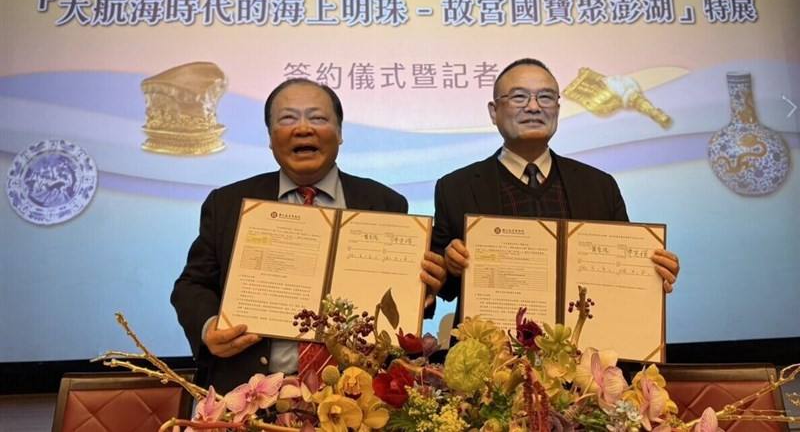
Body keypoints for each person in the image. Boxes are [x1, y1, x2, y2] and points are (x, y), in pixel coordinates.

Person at [171, 78, 446, 393]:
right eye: (287, 119)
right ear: (270, 138)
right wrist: (209, 328)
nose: (303, 129)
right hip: (251, 395)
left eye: (318, 118)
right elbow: (192, 285)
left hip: (356, 397)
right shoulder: (229, 203)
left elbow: (397, 303)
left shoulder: (384, 203)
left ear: (340, 134)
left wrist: (421, 290)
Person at [433, 58, 680, 314]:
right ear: (494, 112)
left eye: (546, 97)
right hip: (492, 349)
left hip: (583, 347)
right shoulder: (455, 187)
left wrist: (652, 271)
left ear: (558, 110)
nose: (533, 107)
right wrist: (449, 266)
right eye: (519, 97)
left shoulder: (599, 186)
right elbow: (442, 286)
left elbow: (621, 275)